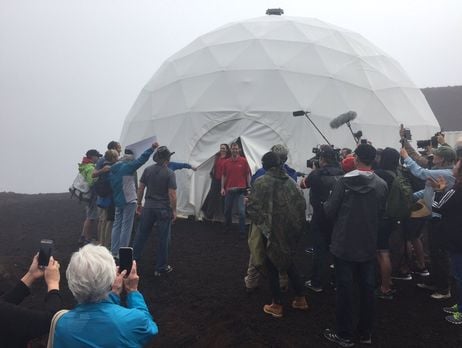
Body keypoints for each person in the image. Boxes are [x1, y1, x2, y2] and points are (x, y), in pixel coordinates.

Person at [323, 144, 388, 347]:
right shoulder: (382, 184)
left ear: (357, 158)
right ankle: (366, 332)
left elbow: (330, 211)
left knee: (344, 290)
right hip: (368, 243)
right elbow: (380, 212)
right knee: (367, 289)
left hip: (344, 243)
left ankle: (344, 335)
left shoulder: (343, 182)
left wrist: (325, 204)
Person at [53, 244, 158, 347]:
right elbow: (148, 327)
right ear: (111, 278)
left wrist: (114, 293)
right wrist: (132, 291)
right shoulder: (132, 321)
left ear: (71, 281)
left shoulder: (62, 325)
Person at [247, 152, 308, 318]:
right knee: (288, 262)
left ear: (265, 165)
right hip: (288, 230)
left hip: (270, 230)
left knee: (272, 265)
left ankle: (276, 304)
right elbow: (301, 204)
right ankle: (300, 298)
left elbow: (252, 208)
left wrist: (261, 220)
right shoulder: (290, 182)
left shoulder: (261, 182)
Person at [400, 145, 456, 299]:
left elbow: (420, 173)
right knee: (433, 251)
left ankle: (444, 289)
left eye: (436, 156)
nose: (433, 158)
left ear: (443, 159)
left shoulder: (445, 172)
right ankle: (435, 281)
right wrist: (411, 196)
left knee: (439, 253)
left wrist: (406, 157)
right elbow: (427, 191)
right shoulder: (443, 172)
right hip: (434, 217)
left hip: (439, 218)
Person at [244, 144, 294, 293]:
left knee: (256, 251)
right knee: (281, 253)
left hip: (262, 221)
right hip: (282, 223)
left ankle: (252, 282)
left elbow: (253, 197)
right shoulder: (290, 174)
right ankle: (282, 282)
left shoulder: (260, 174)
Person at [300, 146, 344, 293]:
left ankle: (316, 282)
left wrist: (313, 170)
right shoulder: (342, 173)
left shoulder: (316, 174)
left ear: (322, 159)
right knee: (338, 250)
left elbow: (303, 185)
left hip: (320, 216)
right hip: (338, 217)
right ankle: (338, 281)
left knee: (319, 250)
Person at [0, 254, 62, 348]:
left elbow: (4, 303)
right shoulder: (6, 315)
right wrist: (53, 283)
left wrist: (31, 275)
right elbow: (51, 320)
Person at [133, 146, 177, 276]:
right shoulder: (170, 173)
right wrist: (174, 210)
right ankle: (160, 267)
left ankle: (133, 262)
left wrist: (139, 203)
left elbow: (141, 188)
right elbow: (172, 194)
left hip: (149, 207)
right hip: (163, 208)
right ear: (166, 159)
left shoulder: (147, 170)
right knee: (163, 238)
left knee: (141, 235)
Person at [110, 142, 158, 259]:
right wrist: (151, 148)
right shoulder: (128, 166)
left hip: (118, 199)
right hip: (129, 199)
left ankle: (114, 250)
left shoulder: (114, 167)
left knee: (117, 225)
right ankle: (123, 252)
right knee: (127, 226)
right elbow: (142, 160)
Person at [432, 157, 462, 324]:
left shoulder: (455, 190)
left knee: (459, 277)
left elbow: (437, 207)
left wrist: (439, 190)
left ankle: (461, 313)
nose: (455, 165)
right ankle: (459, 306)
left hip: (457, 240)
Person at [374, 147, 400, 299]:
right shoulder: (396, 174)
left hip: (381, 218)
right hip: (392, 217)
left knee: (382, 252)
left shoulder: (380, 175)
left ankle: (385, 287)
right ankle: (388, 280)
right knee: (385, 251)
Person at [92, 141, 122, 248]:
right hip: (107, 194)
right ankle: (104, 244)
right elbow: (93, 174)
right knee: (106, 219)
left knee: (104, 219)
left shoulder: (115, 161)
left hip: (108, 193)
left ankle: (102, 243)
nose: (120, 150)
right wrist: (102, 170)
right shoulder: (103, 161)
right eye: (119, 148)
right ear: (113, 149)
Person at [221, 142, 251, 237]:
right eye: (233, 148)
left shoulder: (244, 161)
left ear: (239, 150)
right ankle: (227, 228)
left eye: (236, 148)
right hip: (229, 189)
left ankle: (242, 231)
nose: (234, 150)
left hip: (241, 190)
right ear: (230, 150)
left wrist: (249, 187)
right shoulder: (226, 162)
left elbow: (247, 174)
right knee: (227, 211)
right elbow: (224, 175)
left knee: (241, 212)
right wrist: (222, 187)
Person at [78, 149, 102, 245]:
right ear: (92, 157)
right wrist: (99, 174)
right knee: (91, 217)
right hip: (92, 196)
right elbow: (91, 181)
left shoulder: (85, 166)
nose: (98, 158)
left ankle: (83, 236)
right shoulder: (90, 168)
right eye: (97, 156)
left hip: (88, 196)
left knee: (89, 216)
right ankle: (87, 239)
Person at [201, 144, 231, 220]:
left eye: (224, 148)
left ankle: (223, 215)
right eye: (221, 148)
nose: (222, 149)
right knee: (212, 195)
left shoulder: (228, 159)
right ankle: (208, 213)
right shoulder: (217, 157)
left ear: (227, 149)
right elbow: (215, 166)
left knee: (222, 198)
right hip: (216, 178)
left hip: (223, 180)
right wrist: (212, 172)